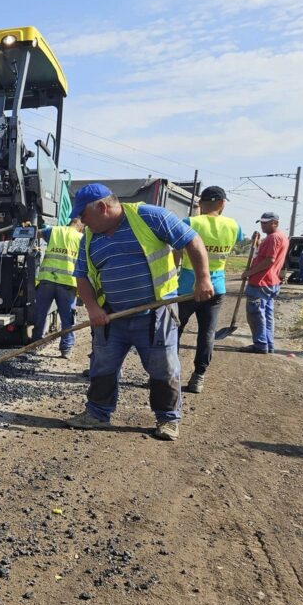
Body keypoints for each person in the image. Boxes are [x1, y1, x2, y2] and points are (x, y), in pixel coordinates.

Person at [64, 183, 213, 441]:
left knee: (163, 367)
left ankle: (168, 419)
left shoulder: (150, 217)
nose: (82, 222)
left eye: (83, 215)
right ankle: (97, 414)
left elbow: (192, 240)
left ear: (102, 207)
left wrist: (203, 279)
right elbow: (82, 275)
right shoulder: (90, 237)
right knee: (102, 366)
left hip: (156, 312)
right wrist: (93, 308)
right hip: (112, 316)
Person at [176, 186, 242, 393]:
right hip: (216, 288)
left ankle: (168, 374)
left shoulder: (190, 223)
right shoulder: (234, 226)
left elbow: (176, 252)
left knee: (174, 330)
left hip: (187, 287)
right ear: (222, 203)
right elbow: (238, 239)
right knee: (207, 333)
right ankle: (198, 377)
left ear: (200, 203)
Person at [33, 218, 85, 358]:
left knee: (40, 314)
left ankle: (35, 344)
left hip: (47, 280)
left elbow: (36, 233)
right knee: (68, 318)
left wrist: (27, 229)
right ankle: (66, 349)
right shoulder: (81, 238)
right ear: (81, 227)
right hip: (68, 283)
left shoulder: (55, 231)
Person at [241, 211, 289, 353]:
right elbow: (263, 255)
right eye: (261, 222)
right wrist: (257, 243)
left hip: (261, 282)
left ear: (275, 223)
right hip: (271, 282)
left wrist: (249, 272)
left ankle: (261, 344)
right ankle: (268, 344)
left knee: (256, 314)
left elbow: (269, 260)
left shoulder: (273, 238)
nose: (263, 225)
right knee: (267, 315)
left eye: (266, 223)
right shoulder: (280, 237)